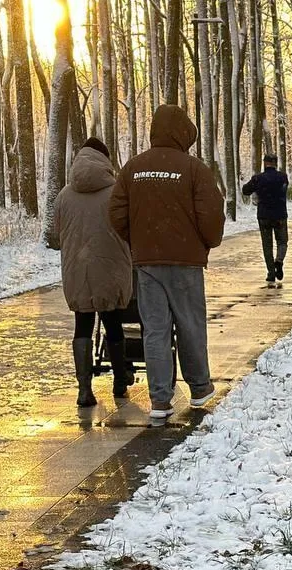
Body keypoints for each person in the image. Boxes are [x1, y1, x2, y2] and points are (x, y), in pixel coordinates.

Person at [109, 105, 225, 420]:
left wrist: (138, 240)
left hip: (147, 264)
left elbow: (116, 214)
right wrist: (206, 242)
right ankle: (199, 387)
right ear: (183, 134)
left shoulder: (132, 169)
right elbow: (211, 216)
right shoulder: (194, 169)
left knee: (155, 330)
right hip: (186, 263)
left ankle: (160, 400)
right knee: (190, 325)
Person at [47, 138, 134, 408]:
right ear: (105, 160)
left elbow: (55, 236)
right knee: (113, 322)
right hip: (111, 268)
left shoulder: (64, 195)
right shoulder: (117, 192)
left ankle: (84, 389)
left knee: (82, 324)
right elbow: (128, 228)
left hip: (78, 270)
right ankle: (120, 380)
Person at [241, 154, 290, 288]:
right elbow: (284, 189)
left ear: (265, 163)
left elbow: (245, 191)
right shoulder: (283, 177)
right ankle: (279, 261)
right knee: (282, 241)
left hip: (264, 216)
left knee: (267, 245)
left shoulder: (258, 179)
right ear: (275, 163)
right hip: (280, 215)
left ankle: (271, 272)